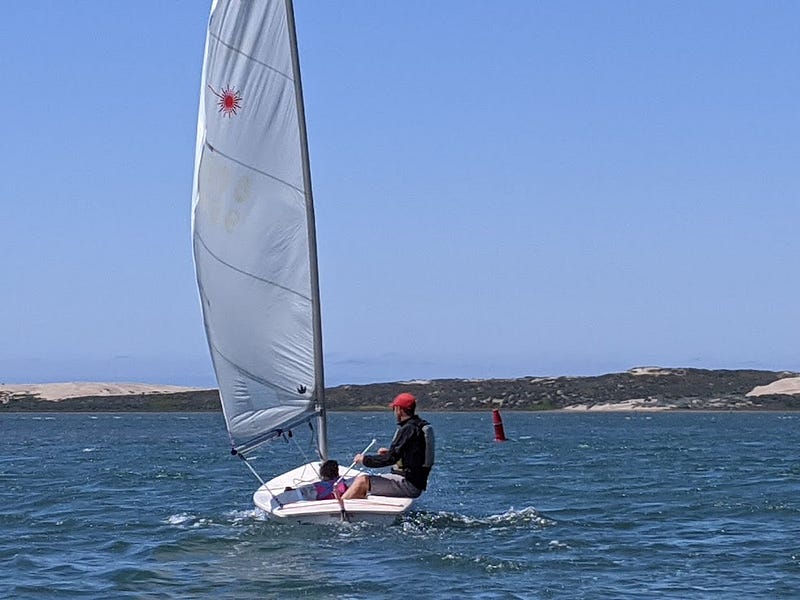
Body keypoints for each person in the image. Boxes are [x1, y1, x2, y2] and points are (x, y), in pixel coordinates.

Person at [342, 392, 433, 499]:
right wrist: (389, 452)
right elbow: (413, 456)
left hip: (409, 484)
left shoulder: (408, 429)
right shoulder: (417, 427)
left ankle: (338, 512)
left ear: (399, 409)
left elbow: (390, 459)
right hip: (414, 482)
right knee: (350, 483)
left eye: (394, 409)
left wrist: (364, 460)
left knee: (362, 481)